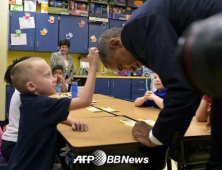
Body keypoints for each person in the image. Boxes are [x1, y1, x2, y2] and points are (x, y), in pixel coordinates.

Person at [97, 0, 222, 169]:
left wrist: (154, 137)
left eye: (121, 66)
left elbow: (182, 85)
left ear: (116, 43)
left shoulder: (135, 30)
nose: (130, 70)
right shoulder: (146, 20)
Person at [6, 47, 99, 170]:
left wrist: (72, 121)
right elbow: (85, 101)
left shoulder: (29, 102)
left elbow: (51, 114)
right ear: (31, 86)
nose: (54, 79)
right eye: (48, 75)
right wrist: (92, 67)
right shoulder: (42, 104)